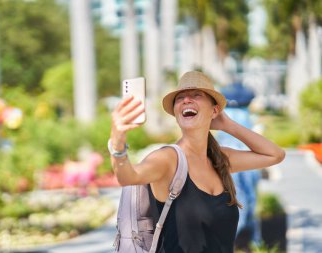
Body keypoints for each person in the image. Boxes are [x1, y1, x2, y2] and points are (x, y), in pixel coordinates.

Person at [109, 71, 285, 253]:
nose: (186, 100)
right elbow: (128, 177)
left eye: (196, 95)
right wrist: (117, 143)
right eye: (180, 97)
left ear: (214, 110)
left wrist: (228, 125)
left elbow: (275, 155)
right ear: (176, 112)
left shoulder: (220, 159)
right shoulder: (168, 159)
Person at [217, 81, 262, 246]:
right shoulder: (246, 114)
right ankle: (252, 239)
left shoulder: (225, 113)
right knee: (248, 198)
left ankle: (233, 239)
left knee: (233, 198)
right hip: (246, 158)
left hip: (227, 158)